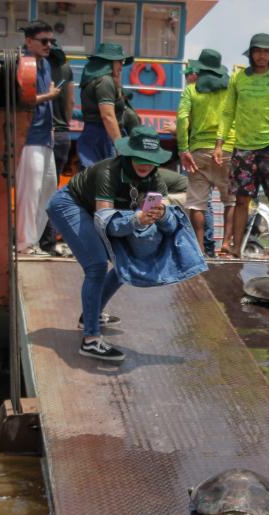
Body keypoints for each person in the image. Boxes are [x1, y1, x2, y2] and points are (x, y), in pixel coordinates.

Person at [45, 126, 206, 362]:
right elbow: (105, 223)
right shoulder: (108, 172)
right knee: (97, 266)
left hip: (112, 214)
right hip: (70, 204)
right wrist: (137, 219)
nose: (144, 164)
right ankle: (90, 339)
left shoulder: (156, 182)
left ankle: (91, 314)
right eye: (139, 158)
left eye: (150, 159)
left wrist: (162, 215)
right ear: (128, 155)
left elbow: (168, 227)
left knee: (125, 264)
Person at [214, 33, 269, 259]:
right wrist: (219, 142)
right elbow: (227, 111)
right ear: (251, 53)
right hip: (243, 146)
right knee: (241, 199)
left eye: (266, 51)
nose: (262, 55)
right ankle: (235, 247)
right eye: (258, 51)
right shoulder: (238, 78)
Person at [176, 48, 236, 255]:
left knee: (197, 204)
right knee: (230, 200)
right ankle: (227, 244)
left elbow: (183, 119)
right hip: (227, 148)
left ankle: (200, 248)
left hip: (198, 151)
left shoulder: (191, 90)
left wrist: (183, 149)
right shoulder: (229, 90)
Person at [15, 21, 62, 255]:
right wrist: (49, 96)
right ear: (29, 41)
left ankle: (31, 240)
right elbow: (22, 100)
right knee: (30, 191)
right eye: (44, 41)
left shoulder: (43, 64)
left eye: (51, 41)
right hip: (30, 137)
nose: (49, 45)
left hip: (45, 137)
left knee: (48, 190)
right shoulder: (24, 64)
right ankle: (25, 243)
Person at [38, 40, 75, 254]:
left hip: (39, 134)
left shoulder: (36, 67)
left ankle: (33, 239)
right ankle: (48, 242)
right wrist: (65, 123)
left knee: (35, 190)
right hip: (61, 134)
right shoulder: (66, 69)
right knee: (52, 190)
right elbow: (69, 102)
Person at [77, 43, 132, 168]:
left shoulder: (93, 80)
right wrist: (120, 145)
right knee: (102, 180)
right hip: (102, 137)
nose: (121, 67)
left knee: (89, 180)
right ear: (110, 62)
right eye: (120, 62)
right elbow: (108, 116)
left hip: (93, 135)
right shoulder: (105, 82)